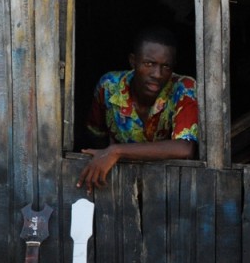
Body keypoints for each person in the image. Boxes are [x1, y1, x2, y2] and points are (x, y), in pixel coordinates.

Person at [76, 26, 199, 194]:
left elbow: (185, 148)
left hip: (168, 189)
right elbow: (95, 134)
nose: (157, 73)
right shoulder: (109, 86)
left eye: (166, 66)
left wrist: (115, 151)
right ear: (133, 61)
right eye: (149, 64)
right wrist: (104, 158)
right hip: (114, 185)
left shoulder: (183, 88)